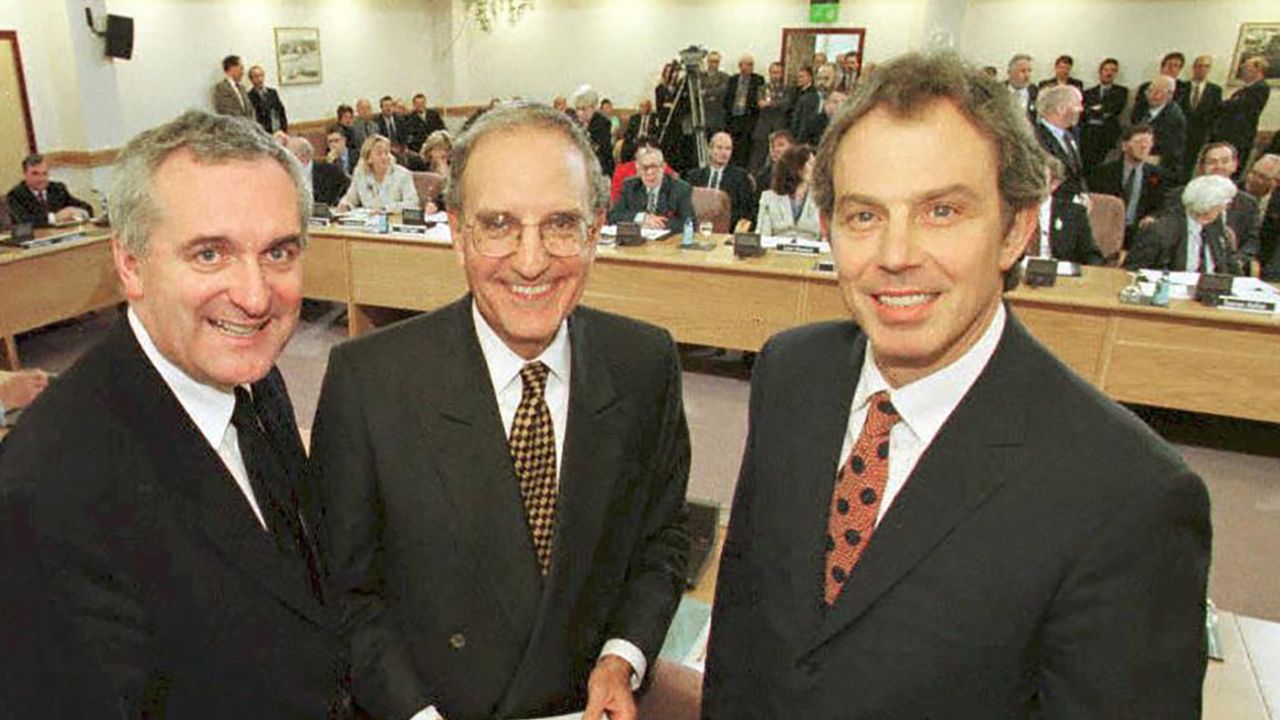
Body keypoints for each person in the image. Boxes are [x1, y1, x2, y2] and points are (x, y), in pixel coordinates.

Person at [703, 51, 1211, 719]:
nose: (895, 254)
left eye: (942, 211)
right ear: (827, 230)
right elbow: (746, 626)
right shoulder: (791, 372)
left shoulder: (1131, 497)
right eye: (864, 216)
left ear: (1015, 229)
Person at [309, 101, 691, 720]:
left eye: (561, 225)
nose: (532, 260)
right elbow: (345, 593)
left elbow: (661, 540)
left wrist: (622, 657)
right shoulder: (369, 381)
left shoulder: (644, 363)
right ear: (457, 231)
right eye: (499, 225)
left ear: (597, 229)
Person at [0, 110, 354, 717]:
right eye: (210, 254)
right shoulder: (46, 490)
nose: (254, 295)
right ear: (131, 264)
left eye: (278, 252)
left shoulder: (248, 372)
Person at [1126, 174, 1243, 275]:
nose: (1225, 208)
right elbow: (1131, 272)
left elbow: (1232, 269)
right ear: (1207, 206)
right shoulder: (1159, 231)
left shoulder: (1216, 228)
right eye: (1223, 204)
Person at [1089, 124, 1173, 246]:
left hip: (1139, 234)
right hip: (1106, 231)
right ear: (1124, 146)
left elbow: (1163, 205)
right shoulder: (1103, 173)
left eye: (1148, 143)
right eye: (1139, 142)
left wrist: (1152, 217)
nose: (1144, 146)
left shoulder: (1159, 176)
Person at [1195, 141, 1261, 269]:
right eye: (1212, 162)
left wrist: (1237, 260)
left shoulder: (1248, 203)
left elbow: (1252, 242)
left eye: (1225, 161)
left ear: (1234, 165)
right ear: (1203, 167)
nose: (1219, 166)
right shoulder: (1183, 195)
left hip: (1230, 267)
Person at [1029, 156, 1105, 264]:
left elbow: (1092, 255)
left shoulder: (1073, 213)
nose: (1033, 183)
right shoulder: (1012, 209)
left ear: (1054, 184)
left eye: (1040, 178)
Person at [1210, 57, 1271, 177]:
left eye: (1246, 68)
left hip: (1239, 138)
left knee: (1231, 173)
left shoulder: (1260, 88)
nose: (1242, 70)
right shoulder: (1245, 89)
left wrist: (1219, 104)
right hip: (1228, 137)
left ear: (1257, 69)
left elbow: (1235, 106)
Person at [609, 145, 694, 231]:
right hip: (637, 242)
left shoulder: (680, 189)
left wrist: (657, 223)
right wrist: (642, 218)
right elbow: (613, 216)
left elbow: (689, 222)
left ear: (663, 167)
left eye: (654, 167)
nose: (650, 172)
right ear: (638, 169)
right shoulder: (630, 186)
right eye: (645, 168)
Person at [685, 132, 756, 231]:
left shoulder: (741, 177)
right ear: (710, 150)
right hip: (698, 228)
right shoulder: (694, 176)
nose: (724, 153)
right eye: (719, 148)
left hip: (728, 230)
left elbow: (747, 211)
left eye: (728, 149)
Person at [336, 134, 420, 212]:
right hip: (367, 222)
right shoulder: (360, 173)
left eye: (387, 153)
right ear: (368, 158)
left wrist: (386, 208)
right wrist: (345, 205)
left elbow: (412, 204)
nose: (384, 157)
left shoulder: (402, 174)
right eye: (379, 154)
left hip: (392, 220)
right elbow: (350, 198)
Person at [6, 153, 93, 228]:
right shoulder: (15, 195)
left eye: (45, 173)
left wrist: (77, 212)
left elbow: (86, 207)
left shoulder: (57, 189)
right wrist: (55, 218)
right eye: (35, 174)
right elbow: (24, 221)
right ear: (25, 174)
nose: (41, 179)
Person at [755, 144, 819, 240]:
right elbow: (762, 235)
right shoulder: (769, 198)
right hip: (777, 251)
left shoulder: (819, 198)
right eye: (810, 164)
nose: (815, 169)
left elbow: (826, 236)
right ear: (797, 168)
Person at [1034, 85, 1087, 199]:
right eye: (1077, 104)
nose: (1081, 109)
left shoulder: (1069, 135)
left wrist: (1083, 195)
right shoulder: (1036, 138)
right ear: (1060, 108)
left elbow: (1077, 173)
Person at [1081, 58, 1128, 172]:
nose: (1109, 73)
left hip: (1108, 133)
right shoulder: (1088, 92)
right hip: (1089, 135)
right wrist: (1101, 110)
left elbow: (1114, 110)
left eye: (1113, 70)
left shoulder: (1121, 91)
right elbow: (1085, 111)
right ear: (1100, 72)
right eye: (1106, 70)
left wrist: (1095, 110)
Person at [1139, 75, 1188, 179]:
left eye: (1158, 92)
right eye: (1150, 91)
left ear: (1170, 95)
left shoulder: (1174, 118)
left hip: (1158, 171)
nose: (1152, 95)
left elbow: (1171, 153)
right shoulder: (1145, 107)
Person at [751, 61, 794, 170]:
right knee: (758, 157)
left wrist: (770, 104)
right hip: (763, 127)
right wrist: (775, 103)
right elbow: (760, 103)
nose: (775, 75)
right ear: (769, 73)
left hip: (779, 126)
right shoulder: (762, 88)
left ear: (781, 74)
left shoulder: (787, 89)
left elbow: (786, 104)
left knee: (779, 158)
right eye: (773, 72)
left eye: (777, 73)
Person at [724, 54, 765, 168]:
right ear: (739, 66)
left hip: (748, 119)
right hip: (733, 119)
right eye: (745, 64)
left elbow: (760, 98)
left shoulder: (758, 80)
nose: (748, 67)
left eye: (751, 65)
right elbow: (727, 99)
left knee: (745, 149)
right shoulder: (733, 79)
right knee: (732, 146)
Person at [288, 135, 349, 206]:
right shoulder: (287, 175)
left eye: (291, 156)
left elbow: (347, 192)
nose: (287, 161)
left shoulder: (330, 171)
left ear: (304, 157)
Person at [1184, 55, 1223, 165]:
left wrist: (1210, 135)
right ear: (1194, 67)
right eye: (1199, 66)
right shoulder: (1181, 86)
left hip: (1200, 135)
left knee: (1192, 164)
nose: (1202, 69)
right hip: (1179, 133)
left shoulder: (1215, 90)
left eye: (1206, 66)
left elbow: (1216, 114)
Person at [1133, 51, 1192, 120]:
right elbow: (1137, 113)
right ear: (1162, 68)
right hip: (1148, 127)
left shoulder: (1185, 88)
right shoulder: (1145, 87)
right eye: (1169, 65)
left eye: (1175, 65)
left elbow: (1186, 113)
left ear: (1179, 70)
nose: (1171, 68)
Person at [573, 85, 616, 178]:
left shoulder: (602, 123)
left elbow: (600, 151)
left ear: (593, 108)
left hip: (600, 168)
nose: (580, 113)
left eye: (583, 109)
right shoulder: (574, 122)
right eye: (577, 109)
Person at [247, 64, 288, 133]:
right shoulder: (248, 96)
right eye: (256, 76)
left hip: (277, 131)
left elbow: (281, 112)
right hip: (262, 133)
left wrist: (283, 130)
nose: (260, 79)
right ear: (251, 79)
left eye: (261, 75)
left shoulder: (272, 92)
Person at [753, 129, 794, 199]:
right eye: (772, 146)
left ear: (792, 147)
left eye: (781, 145)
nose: (776, 150)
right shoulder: (762, 177)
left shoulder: (800, 174)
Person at [212, 54, 253, 118]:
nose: (243, 72)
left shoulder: (242, 88)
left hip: (248, 126)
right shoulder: (221, 88)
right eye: (241, 68)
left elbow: (250, 110)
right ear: (232, 68)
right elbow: (226, 111)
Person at [621, 98, 658, 163]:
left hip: (648, 140)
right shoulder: (634, 118)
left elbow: (656, 131)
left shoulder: (654, 117)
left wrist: (650, 137)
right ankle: (626, 166)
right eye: (641, 106)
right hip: (636, 139)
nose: (642, 108)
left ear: (649, 107)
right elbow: (628, 131)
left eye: (644, 106)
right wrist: (631, 138)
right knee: (626, 146)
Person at [702, 51, 730, 132]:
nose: (714, 64)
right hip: (703, 116)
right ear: (707, 62)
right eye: (712, 61)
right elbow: (697, 92)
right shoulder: (700, 77)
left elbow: (723, 90)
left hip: (718, 117)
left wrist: (706, 92)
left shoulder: (725, 77)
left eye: (716, 62)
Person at [1005, 53, 1038, 123]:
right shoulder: (998, 91)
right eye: (1023, 71)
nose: (1027, 75)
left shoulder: (1036, 92)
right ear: (1009, 72)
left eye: (1029, 71)